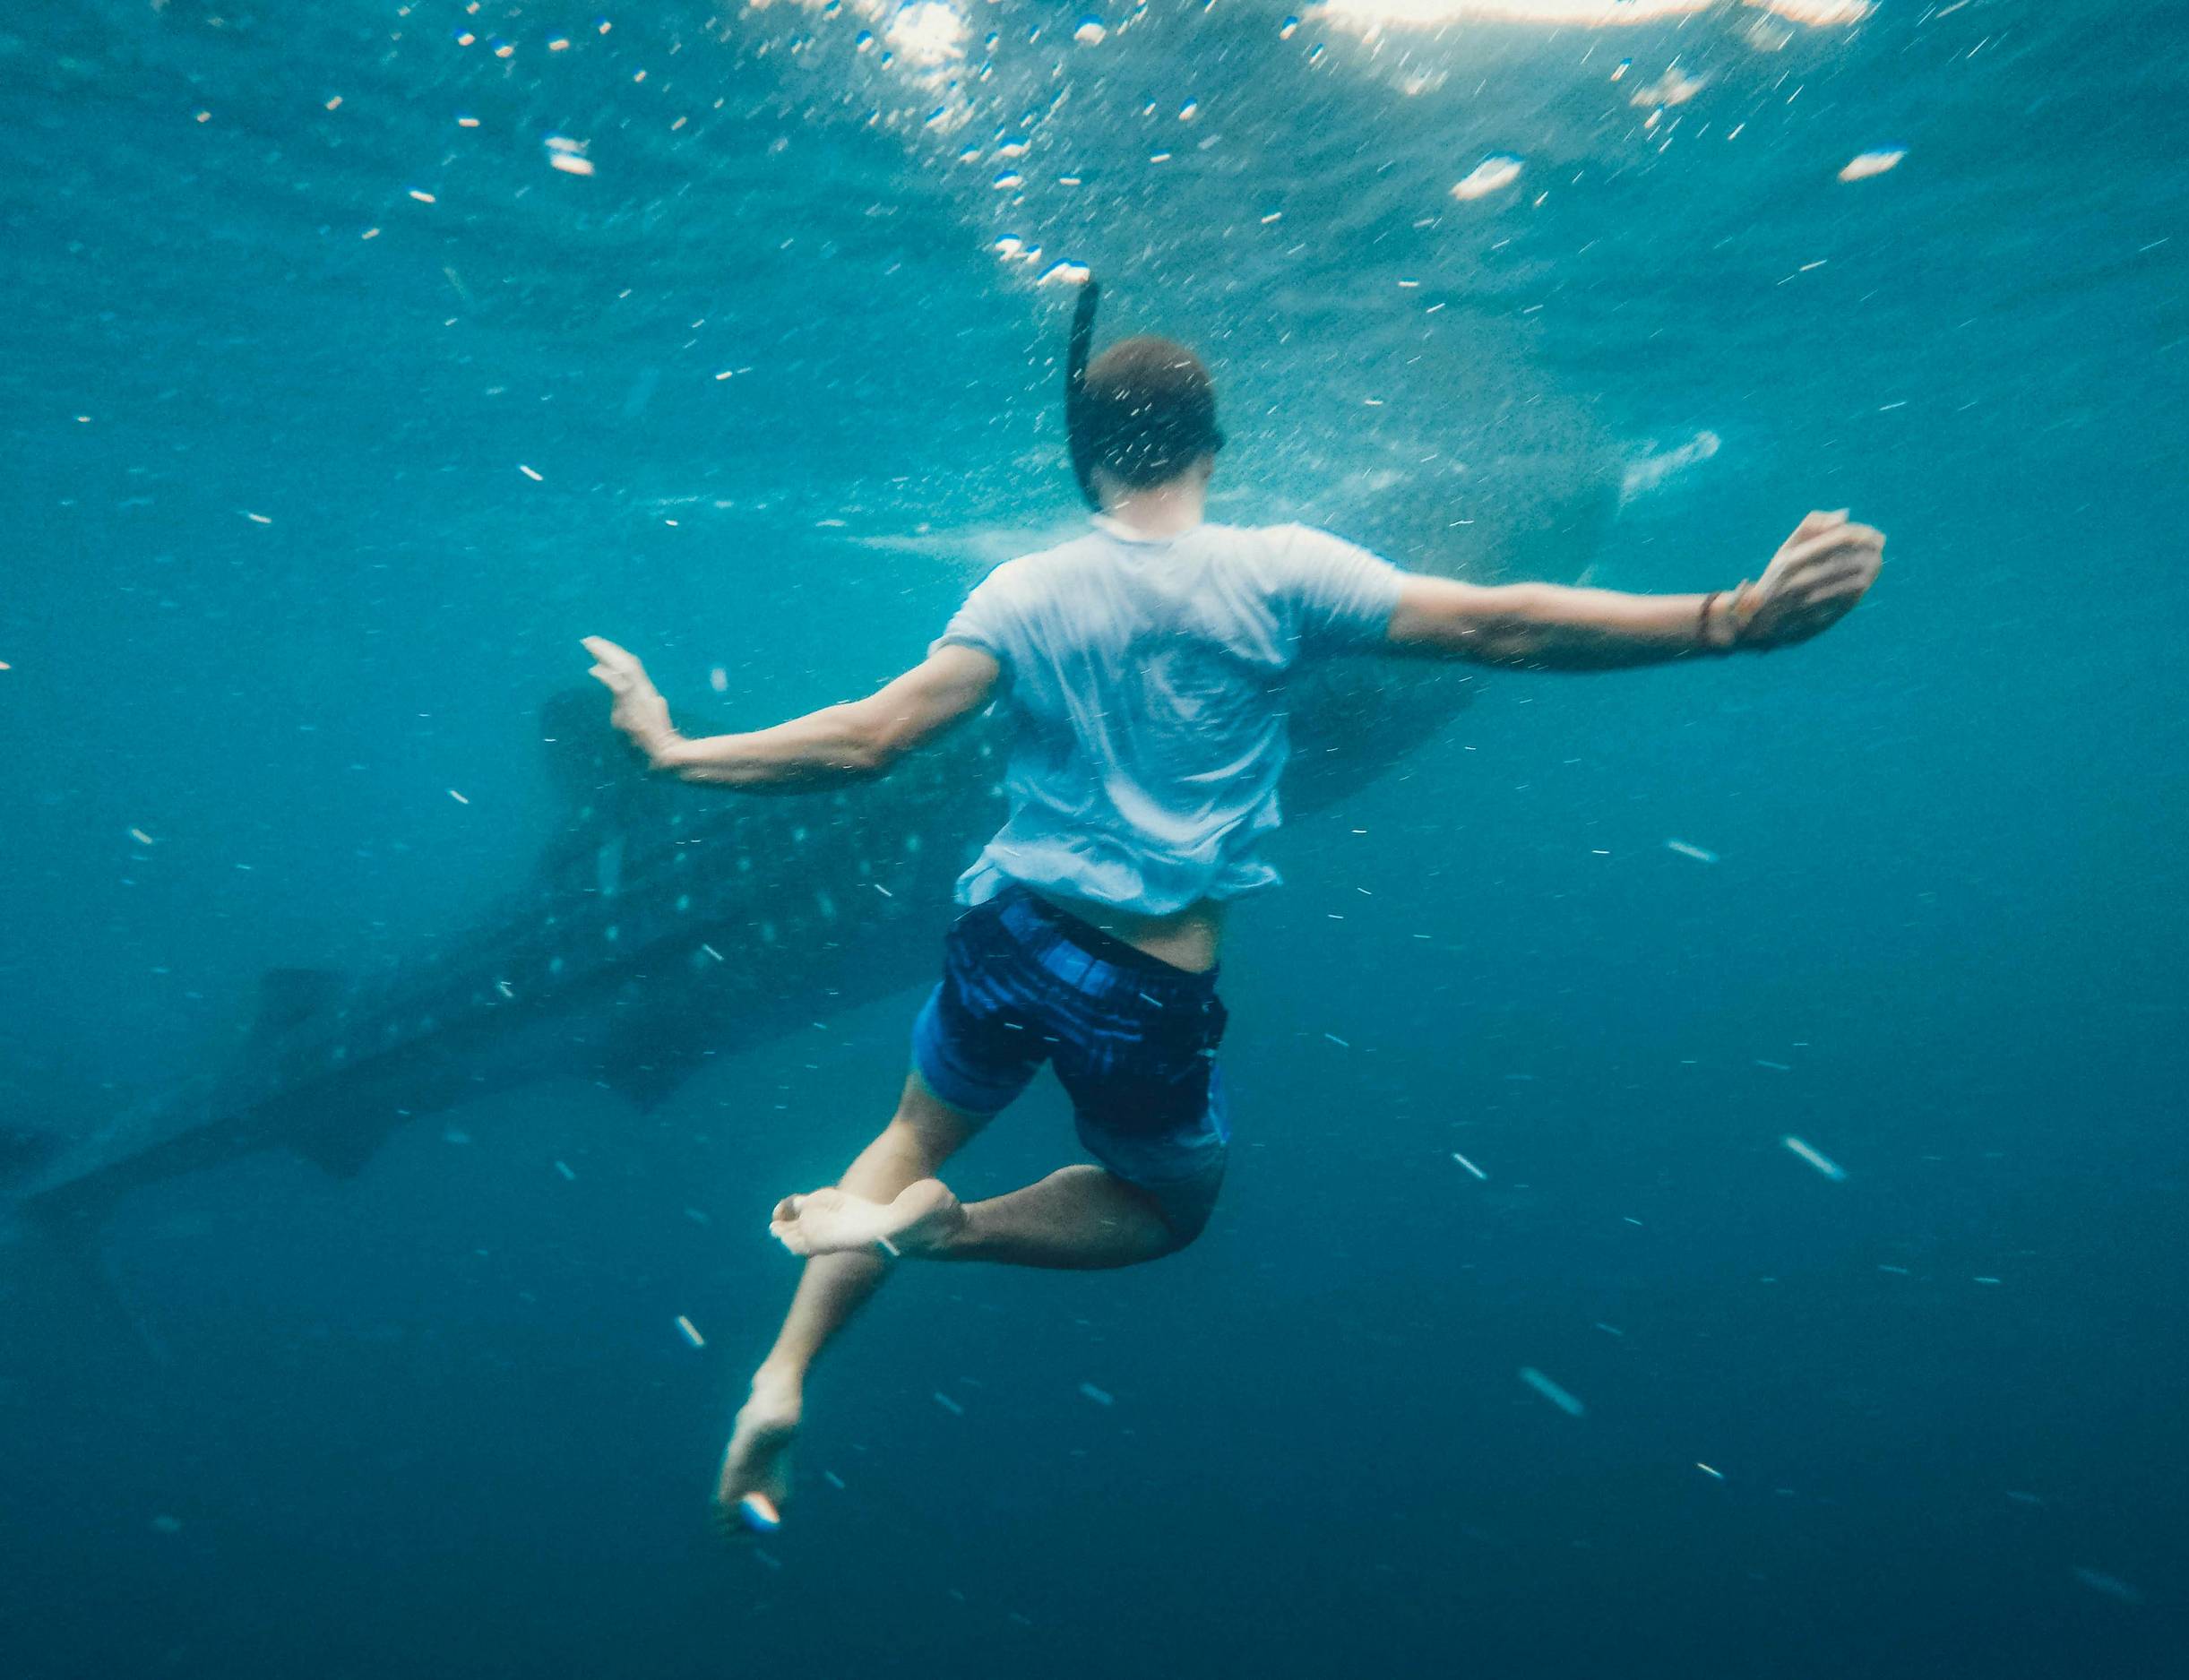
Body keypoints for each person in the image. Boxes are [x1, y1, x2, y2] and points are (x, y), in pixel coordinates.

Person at [583, 315, 1884, 1533]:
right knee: (1164, 1209)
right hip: (1142, 982)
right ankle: (955, 1232)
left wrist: (678, 750)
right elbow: (1509, 625)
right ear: (1216, 450)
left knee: (910, 1130)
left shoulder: (1023, 591)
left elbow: (867, 742)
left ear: (1083, 460)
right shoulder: (1284, 572)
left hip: (1004, 932)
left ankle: (781, 1374)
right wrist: (1729, 621)